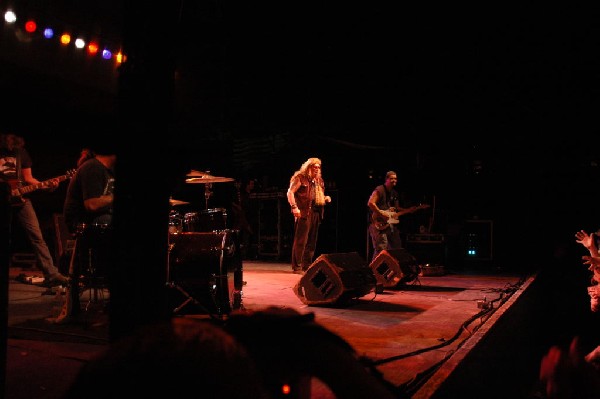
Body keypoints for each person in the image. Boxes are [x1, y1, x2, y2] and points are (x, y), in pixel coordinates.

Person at [54, 145, 116, 323]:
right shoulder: (92, 167)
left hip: (100, 219)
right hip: (84, 223)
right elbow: (92, 205)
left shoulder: (109, 170)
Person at [0, 132, 69, 286]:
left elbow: (28, 178)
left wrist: (46, 186)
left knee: (37, 236)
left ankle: (52, 274)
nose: (13, 144)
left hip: (21, 199)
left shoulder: (21, 152)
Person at [367, 170, 428, 262]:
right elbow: (370, 203)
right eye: (391, 178)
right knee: (380, 248)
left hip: (390, 224)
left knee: (397, 247)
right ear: (386, 179)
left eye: (395, 178)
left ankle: (395, 271)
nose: (394, 180)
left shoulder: (394, 193)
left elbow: (397, 208)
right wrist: (381, 214)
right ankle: (373, 272)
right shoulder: (379, 189)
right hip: (378, 223)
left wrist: (410, 210)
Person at [286, 157, 331, 273]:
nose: (316, 169)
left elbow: (317, 197)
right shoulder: (300, 178)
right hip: (304, 212)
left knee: (312, 241)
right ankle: (297, 266)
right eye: (314, 167)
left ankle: (307, 265)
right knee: (301, 240)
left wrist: (325, 198)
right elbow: (290, 192)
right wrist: (294, 207)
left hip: (316, 212)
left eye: (318, 167)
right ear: (308, 167)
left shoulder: (319, 181)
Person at [231, 177, 257, 259]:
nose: (253, 185)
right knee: (242, 228)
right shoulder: (240, 194)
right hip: (240, 217)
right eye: (251, 184)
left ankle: (245, 253)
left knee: (246, 232)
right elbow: (234, 204)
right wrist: (237, 207)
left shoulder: (251, 195)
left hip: (247, 217)